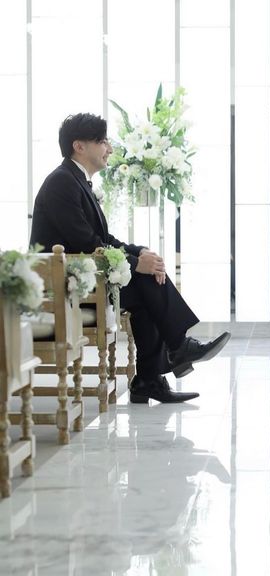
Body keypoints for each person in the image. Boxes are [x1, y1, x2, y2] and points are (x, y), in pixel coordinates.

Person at [30, 113, 231, 404]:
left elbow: (103, 240)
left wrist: (141, 253)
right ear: (79, 146)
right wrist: (138, 264)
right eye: (102, 141)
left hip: (82, 278)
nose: (109, 148)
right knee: (146, 283)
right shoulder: (62, 183)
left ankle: (154, 375)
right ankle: (169, 358)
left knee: (147, 284)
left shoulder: (76, 181)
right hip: (65, 287)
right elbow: (87, 245)